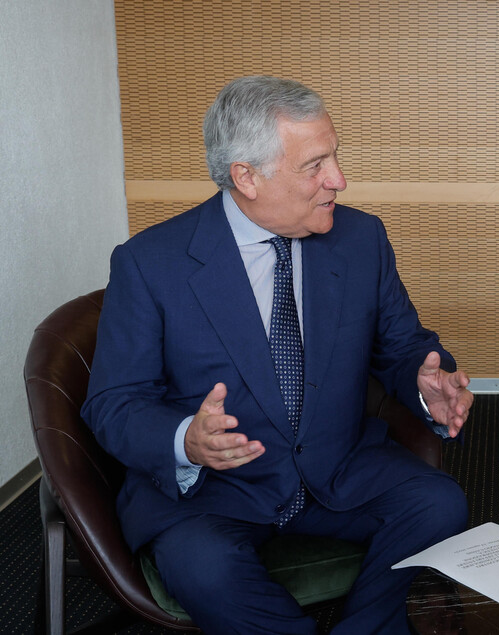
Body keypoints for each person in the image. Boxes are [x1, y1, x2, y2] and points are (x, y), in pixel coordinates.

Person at [82, 76, 473, 634]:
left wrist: (424, 383)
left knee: (439, 505)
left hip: (338, 467)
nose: (338, 179)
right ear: (247, 176)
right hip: (216, 489)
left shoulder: (361, 239)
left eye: (334, 156)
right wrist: (187, 441)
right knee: (204, 568)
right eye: (315, 165)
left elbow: (403, 344)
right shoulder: (151, 263)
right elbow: (115, 403)